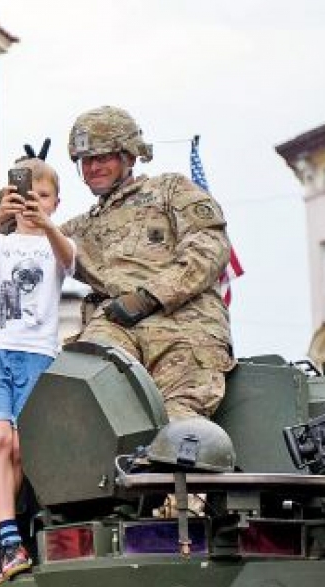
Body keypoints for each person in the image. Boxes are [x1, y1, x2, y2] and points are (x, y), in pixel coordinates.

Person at [60, 106, 234, 420]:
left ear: (129, 155)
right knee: (89, 393)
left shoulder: (170, 190)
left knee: (180, 424)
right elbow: (29, 247)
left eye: (104, 157)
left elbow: (209, 248)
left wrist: (149, 296)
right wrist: (18, 200)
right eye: (86, 160)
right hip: (116, 327)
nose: (94, 167)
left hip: (182, 325)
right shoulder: (81, 228)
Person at [0, 158, 76, 587]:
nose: (35, 202)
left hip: (37, 353)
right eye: (26, 194)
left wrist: (48, 225)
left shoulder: (57, 243)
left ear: (56, 201)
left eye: (44, 196)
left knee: (18, 449)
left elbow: (70, 261)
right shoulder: (3, 241)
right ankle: (11, 537)